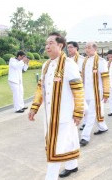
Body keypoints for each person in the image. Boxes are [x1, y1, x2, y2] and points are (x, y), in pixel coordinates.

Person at [29, 32, 85, 179]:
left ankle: (50, 177)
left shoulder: (69, 64)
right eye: (46, 44)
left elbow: (78, 90)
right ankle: (72, 165)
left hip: (65, 114)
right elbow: (41, 88)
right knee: (69, 139)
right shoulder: (46, 65)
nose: (47, 46)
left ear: (60, 45)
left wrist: (79, 112)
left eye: (51, 43)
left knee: (56, 147)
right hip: (50, 114)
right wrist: (35, 107)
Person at [79, 42, 110, 147]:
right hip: (86, 92)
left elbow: (105, 78)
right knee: (91, 111)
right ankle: (103, 127)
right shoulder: (85, 61)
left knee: (91, 113)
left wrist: (106, 93)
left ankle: (85, 136)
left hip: (97, 92)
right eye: (86, 47)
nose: (86, 49)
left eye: (89, 47)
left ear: (95, 48)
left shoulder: (101, 61)